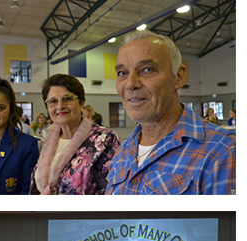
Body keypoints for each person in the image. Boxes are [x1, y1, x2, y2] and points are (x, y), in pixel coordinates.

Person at [105, 29, 236, 195]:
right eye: (122, 73)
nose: (131, 84)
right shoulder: (123, 151)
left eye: (147, 69)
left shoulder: (222, 152)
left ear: (178, 77)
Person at [29, 73, 120, 194]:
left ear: (81, 103)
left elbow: (113, 190)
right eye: (53, 101)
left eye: (67, 99)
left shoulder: (105, 139)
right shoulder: (48, 141)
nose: (60, 106)